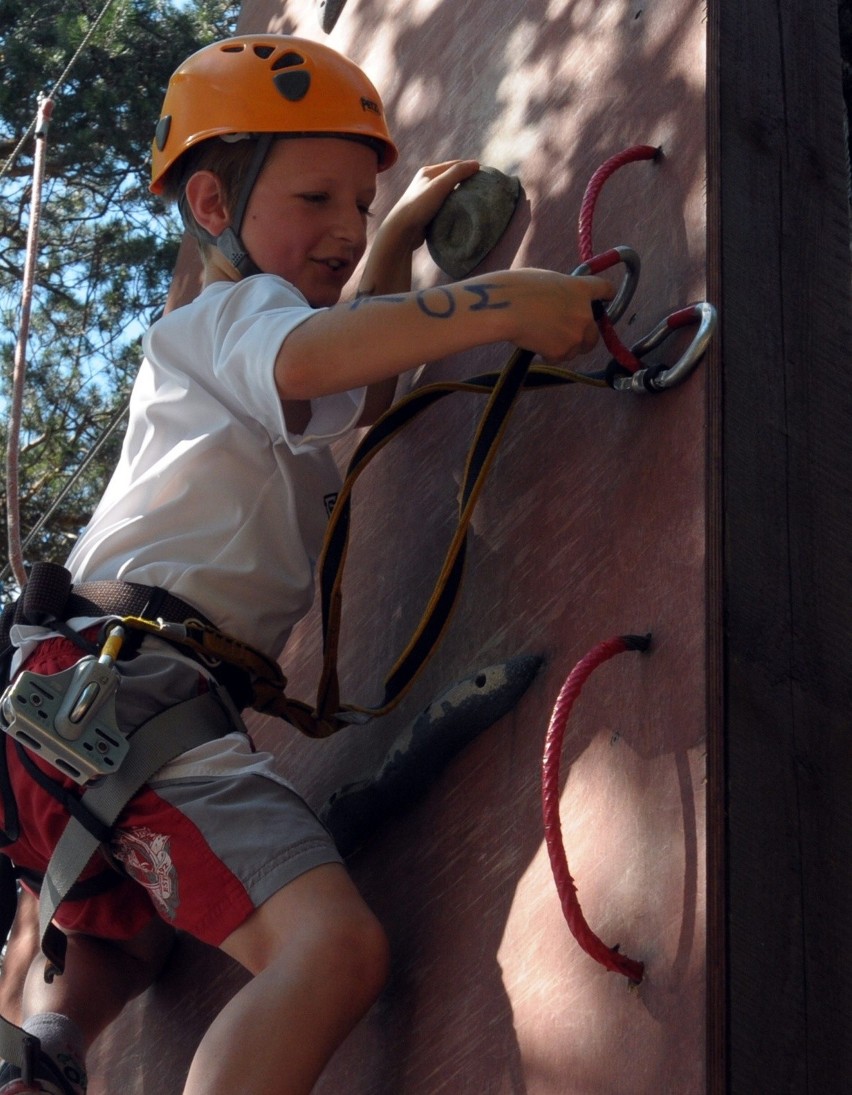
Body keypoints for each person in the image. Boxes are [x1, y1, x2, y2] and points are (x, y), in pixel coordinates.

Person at [0, 33, 612, 1095]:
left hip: (75, 705)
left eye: (361, 208)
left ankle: (40, 1055)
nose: (345, 228)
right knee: (330, 952)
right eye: (317, 199)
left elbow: (340, 391)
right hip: (135, 694)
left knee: (127, 930)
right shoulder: (228, 314)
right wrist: (509, 301)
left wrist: (400, 240)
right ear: (210, 206)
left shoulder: (237, 341)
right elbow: (313, 353)